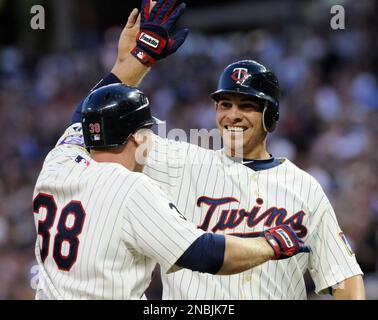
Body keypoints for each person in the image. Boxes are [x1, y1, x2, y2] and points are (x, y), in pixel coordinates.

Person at [70, 0, 365, 299]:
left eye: (247, 105)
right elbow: (89, 129)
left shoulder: (306, 188)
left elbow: (345, 279)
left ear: (270, 116)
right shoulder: (179, 162)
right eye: (225, 104)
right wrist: (133, 63)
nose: (232, 114)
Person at [32, 12, 309, 301]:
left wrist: (134, 62)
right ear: (138, 138)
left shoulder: (59, 161)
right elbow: (204, 254)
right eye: (148, 130)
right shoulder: (131, 190)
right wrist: (270, 244)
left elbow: (84, 115)